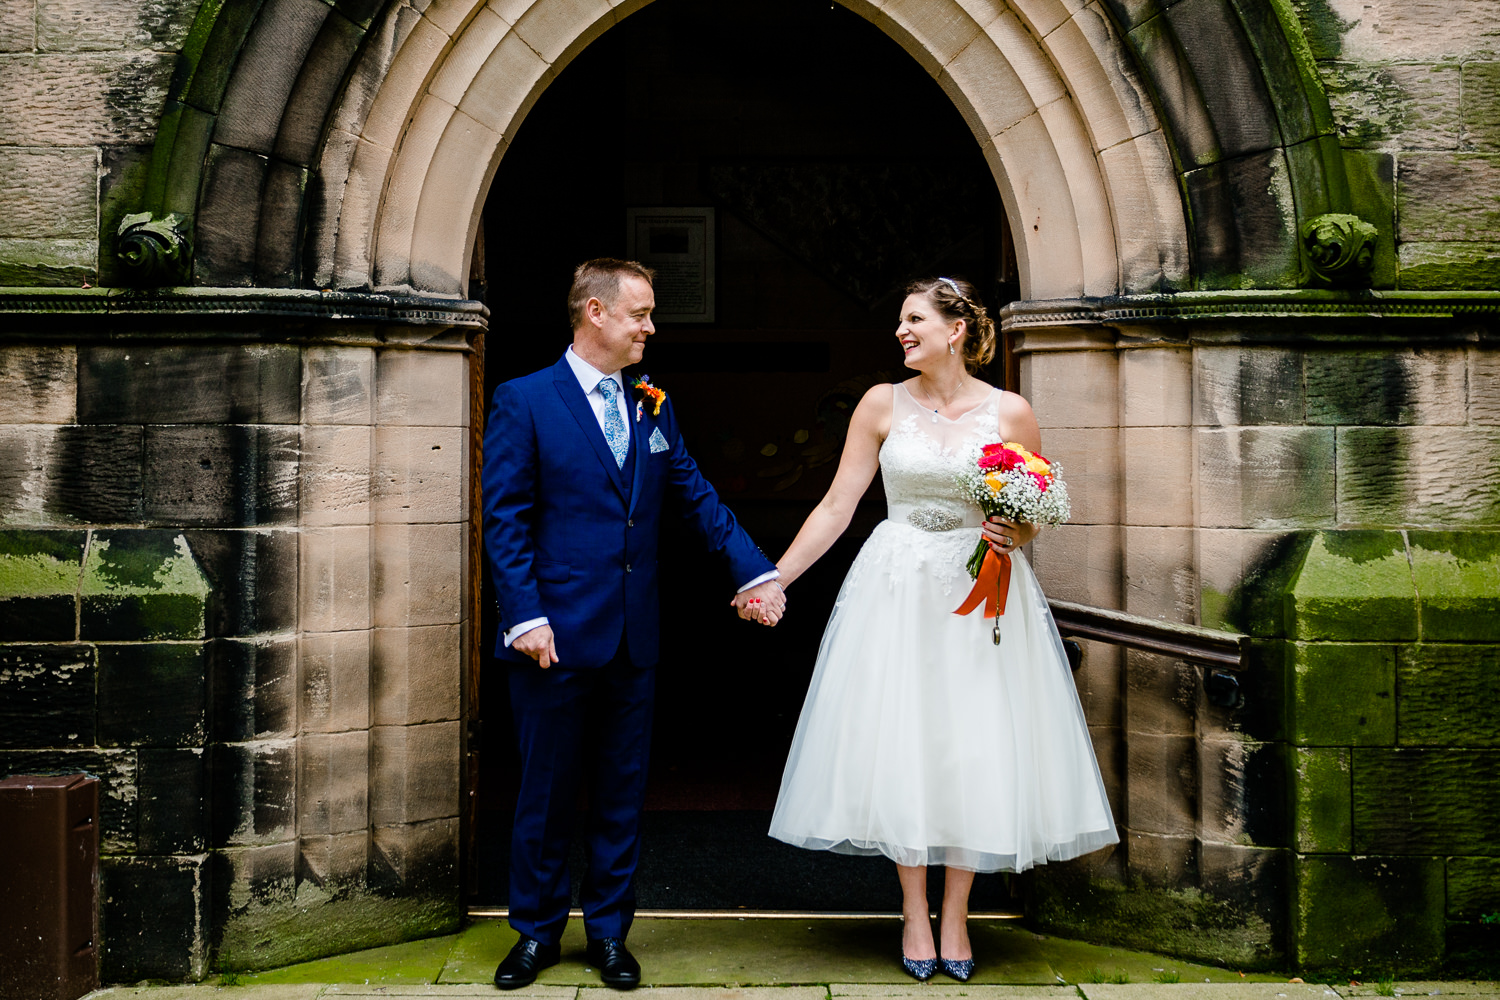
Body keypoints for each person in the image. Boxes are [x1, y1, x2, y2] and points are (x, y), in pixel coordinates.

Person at [763, 276, 1118, 982]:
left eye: (915, 319)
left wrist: (1015, 529)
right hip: (895, 588)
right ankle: (915, 910)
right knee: (905, 740)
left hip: (980, 586)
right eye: (900, 320)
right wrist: (777, 576)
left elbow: (1038, 511)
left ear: (955, 330)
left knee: (970, 742)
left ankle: (958, 911)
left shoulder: (1010, 411)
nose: (902, 331)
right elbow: (838, 505)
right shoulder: (879, 404)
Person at [481, 258, 785, 991]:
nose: (651, 327)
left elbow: (693, 492)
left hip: (633, 636)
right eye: (640, 313)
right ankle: (535, 934)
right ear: (594, 312)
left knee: (622, 792)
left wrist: (757, 571)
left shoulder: (652, 404)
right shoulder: (524, 400)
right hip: (552, 637)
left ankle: (610, 934)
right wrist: (524, 616)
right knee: (546, 794)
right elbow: (506, 520)